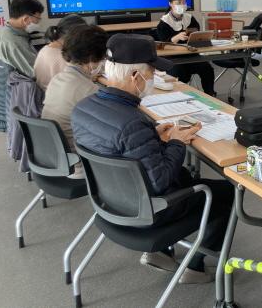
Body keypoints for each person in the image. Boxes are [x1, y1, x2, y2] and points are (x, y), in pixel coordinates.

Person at [71, 34, 233, 284]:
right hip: (147, 212)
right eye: (152, 72)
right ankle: (195, 267)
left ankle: (162, 253)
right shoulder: (132, 122)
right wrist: (178, 141)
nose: (153, 78)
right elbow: (161, 180)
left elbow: (114, 149)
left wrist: (152, 135)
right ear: (135, 77)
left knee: (186, 177)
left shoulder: (84, 108)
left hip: (110, 201)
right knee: (225, 192)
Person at [41, 25, 107, 178]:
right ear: (92, 58)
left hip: (53, 155)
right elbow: (111, 133)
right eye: (103, 57)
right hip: (78, 165)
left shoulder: (57, 79)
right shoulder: (89, 90)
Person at [156, 0, 215, 95]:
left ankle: (210, 94)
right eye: (178, 2)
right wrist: (176, 37)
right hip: (173, 58)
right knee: (179, 72)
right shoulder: (164, 22)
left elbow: (197, 33)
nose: (182, 5)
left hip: (190, 54)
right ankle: (179, 96)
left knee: (207, 68)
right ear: (170, 4)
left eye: (184, 2)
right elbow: (162, 45)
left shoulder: (190, 18)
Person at [34, 14, 86, 89]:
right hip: (56, 95)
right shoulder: (62, 58)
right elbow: (77, 83)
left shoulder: (45, 49)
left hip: (46, 94)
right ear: (73, 37)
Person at [0, 0, 44, 77]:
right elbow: (36, 74)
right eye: (38, 19)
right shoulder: (15, 43)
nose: (38, 23)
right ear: (25, 19)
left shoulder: (6, 32)